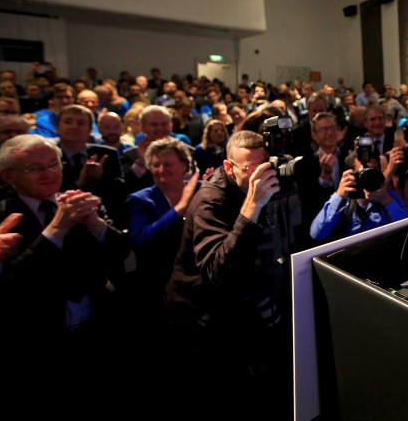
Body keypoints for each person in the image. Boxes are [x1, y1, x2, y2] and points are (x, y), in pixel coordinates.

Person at [164, 130, 291, 414]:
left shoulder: (254, 186)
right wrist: (252, 207)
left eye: (264, 166)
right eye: (249, 169)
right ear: (227, 167)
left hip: (238, 305)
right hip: (198, 314)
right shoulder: (211, 200)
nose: (259, 176)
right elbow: (217, 274)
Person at [0, 134, 130, 337]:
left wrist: (96, 224)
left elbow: (122, 253)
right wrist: (56, 229)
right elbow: (13, 288)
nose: (48, 174)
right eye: (34, 168)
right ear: (8, 176)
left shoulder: (82, 203)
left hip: (99, 319)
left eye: (53, 164)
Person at [126, 138, 202, 327]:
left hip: (202, 277)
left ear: (184, 165)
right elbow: (140, 240)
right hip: (161, 285)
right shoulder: (140, 200)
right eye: (155, 165)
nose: (161, 170)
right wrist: (180, 208)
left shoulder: (202, 188)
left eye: (167, 164)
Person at [310, 145, 408, 243]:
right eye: (363, 171)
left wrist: (386, 201)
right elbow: (317, 234)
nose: (369, 177)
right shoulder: (342, 203)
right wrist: (339, 195)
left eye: (373, 170)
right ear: (351, 174)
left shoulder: (389, 197)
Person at [293, 112, 348, 250]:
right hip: (321, 232)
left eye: (332, 128)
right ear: (314, 135)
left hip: (348, 227)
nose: (329, 132)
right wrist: (325, 176)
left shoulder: (349, 157)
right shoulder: (304, 165)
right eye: (323, 129)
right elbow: (309, 200)